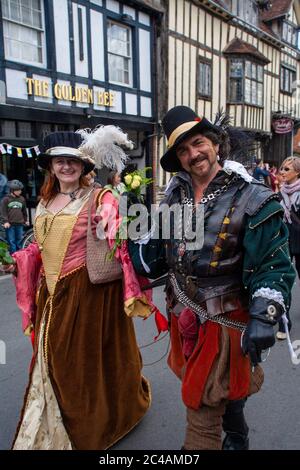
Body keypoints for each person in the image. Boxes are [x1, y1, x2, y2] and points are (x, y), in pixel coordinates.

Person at [128, 105, 295, 450]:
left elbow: (273, 264)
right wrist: (136, 232)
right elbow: (165, 258)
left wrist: (266, 313)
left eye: (198, 142)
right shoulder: (178, 194)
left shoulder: (254, 198)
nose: (193, 154)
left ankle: (224, 438)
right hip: (184, 314)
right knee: (219, 390)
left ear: (216, 143)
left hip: (226, 320)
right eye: (183, 150)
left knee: (201, 404)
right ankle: (238, 435)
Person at [0, 130, 151, 450]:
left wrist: (125, 210)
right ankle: (48, 419)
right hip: (51, 296)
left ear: (84, 166)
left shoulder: (100, 198)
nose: (66, 166)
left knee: (78, 365)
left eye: (72, 161)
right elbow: (39, 250)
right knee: (50, 360)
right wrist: (16, 262)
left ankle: (86, 426)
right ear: (50, 166)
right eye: (60, 161)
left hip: (86, 295)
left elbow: (121, 240)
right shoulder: (42, 201)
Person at [277, 156, 300, 340]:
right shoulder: (279, 194)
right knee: (283, 280)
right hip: (284, 242)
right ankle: (284, 323)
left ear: (297, 172)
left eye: (286, 169)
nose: (282, 172)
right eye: (282, 169)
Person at [1, 180, 28, 253]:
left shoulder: (22, 199)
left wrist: (25, 220)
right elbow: (3, 212)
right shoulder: (6, 199)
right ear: (12, 191)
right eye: (18, 190)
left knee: (19, 240)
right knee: (11, 241)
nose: (20, 191)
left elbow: (24, 211)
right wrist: (5, 221)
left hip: (19, 223)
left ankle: (20, 257)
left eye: (20, 190)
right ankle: (13, 257)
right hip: (10, 224)